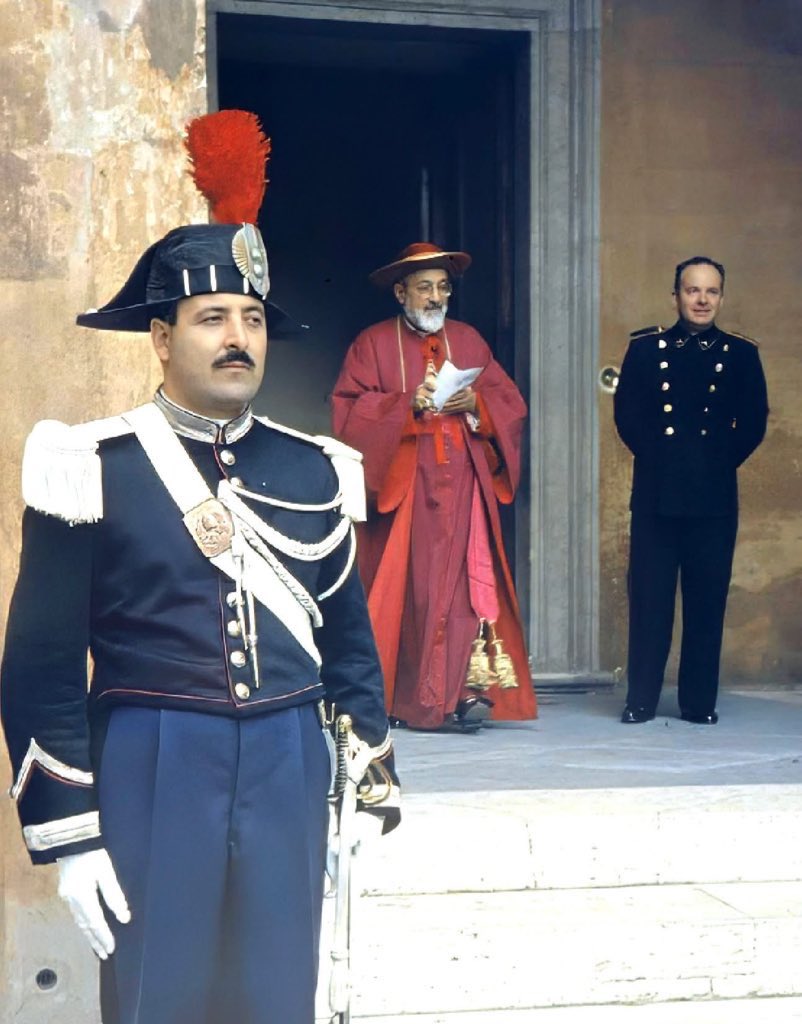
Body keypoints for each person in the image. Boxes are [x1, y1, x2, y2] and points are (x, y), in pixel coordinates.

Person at [1, 110, 398, 1024]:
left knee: (276, 999)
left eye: (252, 319)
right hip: (152, 758)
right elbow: (44, 665)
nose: (237, 337)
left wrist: (372, 772)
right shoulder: (89, 464)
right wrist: (68, 835)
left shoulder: (315, 467)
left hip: (291, 759)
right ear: (161, 337)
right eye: (212, 316)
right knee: (159, 997)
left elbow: (346, 635)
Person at [331, 242, 537, 733]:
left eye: (443, 287)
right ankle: (406, 699)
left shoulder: (468, 339)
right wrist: (405, 403)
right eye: (424, 287)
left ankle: (462, 694)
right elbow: (347, 411)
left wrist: (475, 406)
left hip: (463, 482)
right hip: (407, 484)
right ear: (401, 291)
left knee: (466, 590)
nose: (435, 297)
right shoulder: (373, 344)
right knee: (414, 592)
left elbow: (508, 404)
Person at [614, 255, 768, 725]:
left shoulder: (741, 354)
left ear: (721, 296)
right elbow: (628, 416)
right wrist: (663, 461)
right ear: (676, 294)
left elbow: (754, 422)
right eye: (692, 290)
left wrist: (715, 462)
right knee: (650, 601)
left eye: (711, 291)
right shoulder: (645, 349)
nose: (702, 300)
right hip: (657, 493)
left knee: (706, 601)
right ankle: (640, 700)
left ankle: (698, 703)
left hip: (713, 497)